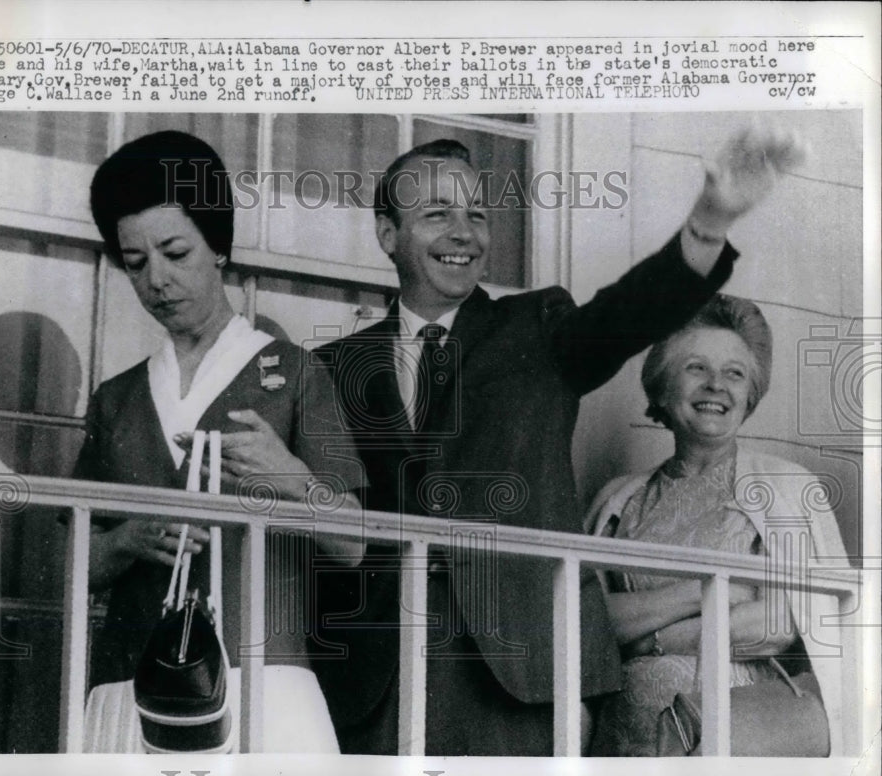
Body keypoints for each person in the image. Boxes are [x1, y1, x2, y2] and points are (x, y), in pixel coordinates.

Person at [309, 127, 806, 755]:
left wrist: (709, 222)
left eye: (477, 215)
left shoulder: (537, 328)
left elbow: (627, 314)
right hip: (375, 674)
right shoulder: (328, 369)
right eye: (437, 214)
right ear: (388, 235)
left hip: (524, 677)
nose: (464, 232)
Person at [72, 130, 363, 751]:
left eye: (175, 252)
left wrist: (289, 478)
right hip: (130, 689)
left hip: (264, 683)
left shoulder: (294, 374)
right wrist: (128, 539)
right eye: (135, 262)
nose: (157, 279)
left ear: (219, 246)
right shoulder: (116, 399)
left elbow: (354, 543)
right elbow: (72, 565)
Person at [585, 294, 847, 756]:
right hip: (625, 730)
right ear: (663, 388)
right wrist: (707, 590)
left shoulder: (788, 487)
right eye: (695, 368)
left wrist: (646, 635)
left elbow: (780, 622)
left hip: (735, 728)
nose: (715, 386)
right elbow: (589, 619)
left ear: (750, 395)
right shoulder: (620, 499)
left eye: (734, 373)